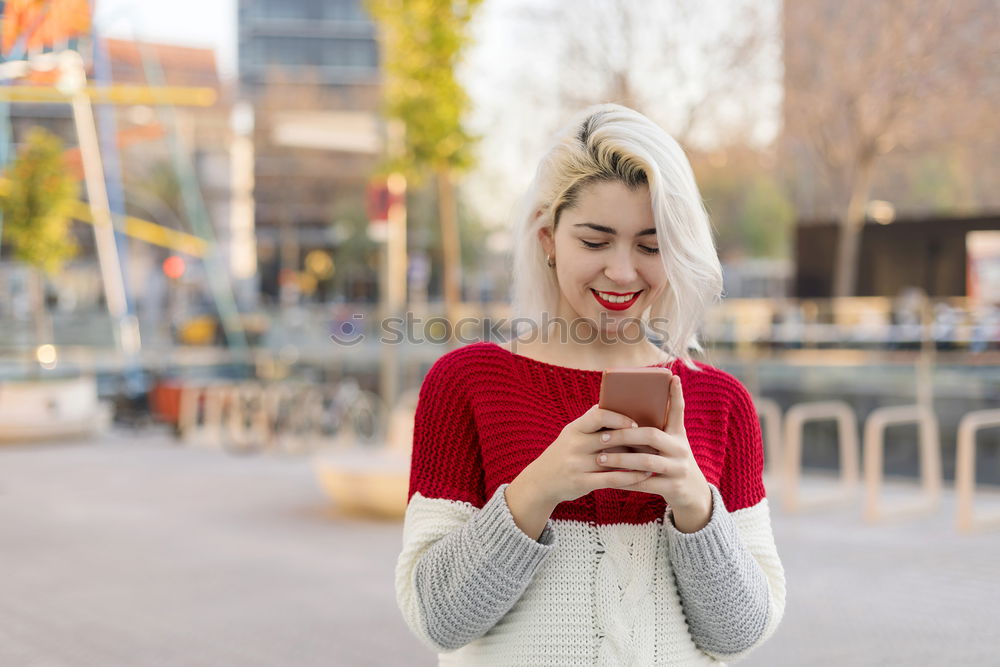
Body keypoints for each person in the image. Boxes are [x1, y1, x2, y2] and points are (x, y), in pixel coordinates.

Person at [395, 104, 785, 666]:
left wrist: (695, 505)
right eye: (596, 242)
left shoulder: (721, 402)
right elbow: (437, 619)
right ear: (549, 238)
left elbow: (741, 633)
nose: (623, 272)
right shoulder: (467, 384)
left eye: (650, 246)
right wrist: (538, 489)